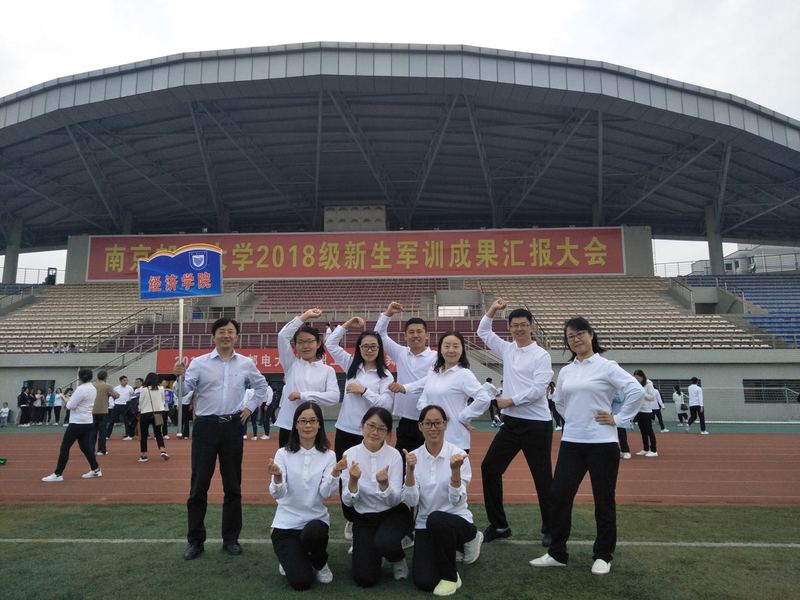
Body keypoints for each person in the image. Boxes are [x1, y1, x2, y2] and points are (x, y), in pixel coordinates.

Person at [530, 316, 643, 576]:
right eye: (570, 336)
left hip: (602, 444)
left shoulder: (606, 366)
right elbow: (558, 401)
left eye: (580, 333)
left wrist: (619, 419)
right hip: (571, 443)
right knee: (559, 496)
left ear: (591, 335)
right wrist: (573, 419)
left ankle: (603, 555)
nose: (576, 339)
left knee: (603, 500)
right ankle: (557, 553)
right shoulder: (567, 370)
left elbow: (635, 390)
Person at [174, 317, 268, 561]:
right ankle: (195, 541)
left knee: (233, 486)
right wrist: (179, 378)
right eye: (222, 332)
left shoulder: (246, 363)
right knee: (198, 486)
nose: (226, 335)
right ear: (213, 336)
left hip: (232, 427)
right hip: (205, 427)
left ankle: (231, 539)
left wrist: (250, 408)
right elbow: (183, 393)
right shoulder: (199, 363)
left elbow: (261, 387)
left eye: (231, 332)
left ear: (236, 336)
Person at [476, 299, 555, 547]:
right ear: (509, 328)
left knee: (542, 478)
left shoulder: (541, 355)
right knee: (490, 468)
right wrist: (492, 309)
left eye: (523, 325)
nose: (519, 329)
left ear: (531, 327)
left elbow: (538, 389)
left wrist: (510, 401)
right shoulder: (508, 349)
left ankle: (551, 528)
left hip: (537, 424)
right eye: (515, 325)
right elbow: (483, 332)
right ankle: (499, 526)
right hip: (512, 424)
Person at [325, 316, 395, 540]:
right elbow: (330, 344)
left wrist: (363, 391)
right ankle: (351, 518)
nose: (369, 350)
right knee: (346, 476)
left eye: (373, 346)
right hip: (346, 430)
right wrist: (346, 325)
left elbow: (386, 404)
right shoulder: (351, 366)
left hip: (372, 435)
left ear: (380, 349)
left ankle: (371, 516)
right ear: (359, 348)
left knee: (372, 475)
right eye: (365, 346)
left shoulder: (385, 375)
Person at [402, 404, 483, 595]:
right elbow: (411, 502)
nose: (433, 428)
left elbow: (456, 501)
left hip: (456, 521)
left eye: (437, 423)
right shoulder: (414, 457)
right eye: (428, 423)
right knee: (424, 581)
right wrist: (410, 472)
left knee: (437, 519)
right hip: (426, 524)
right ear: (420, 426)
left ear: (445, 424)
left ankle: (451, 575)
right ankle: (448, 551)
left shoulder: (458, 455)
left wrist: (455, 472)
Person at [268, 401, 341, 590]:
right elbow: (278, 493)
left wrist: (334, 474)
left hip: (315, 521)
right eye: (303, 421)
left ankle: (319, 562)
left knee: (315, 531)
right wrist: (277, 477)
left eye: (312, 420)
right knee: (301, 582)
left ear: (319, 424)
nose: (308, 425)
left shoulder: (329, 455)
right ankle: (291, 558)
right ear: (296, 424)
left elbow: (326, 493)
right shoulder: (283, 454)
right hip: (286, 525)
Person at [341, 407, 412, 586]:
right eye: (371, 426)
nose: (375, 432)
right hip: (364, 516)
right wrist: (353, 481)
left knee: (386, 542)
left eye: (381, 428)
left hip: (392, 513)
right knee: (364, 579)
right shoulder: (350, 454)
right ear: (362, 425)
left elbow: (395, 500)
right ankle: (375, 552)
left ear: (387, 432)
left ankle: (396, 557)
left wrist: (384, 485)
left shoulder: (394, 456)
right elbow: (347, 501)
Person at [396, 332, 491, 454]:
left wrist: (463, 417)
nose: (451, 350)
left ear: (462, 350)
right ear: (440, 349)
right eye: (446, 346)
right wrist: (436, 414)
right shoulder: (434, 372)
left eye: (456, 346)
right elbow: (422, 401)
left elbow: (484, 398)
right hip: (432, 440)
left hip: (455, 440)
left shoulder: (464, 374)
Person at [374, 301, 437, 465]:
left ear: (427, 335)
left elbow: (431, 380)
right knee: (403, 463)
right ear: (405, 336)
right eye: (411, 332)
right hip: (406, 420)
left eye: (419, 331)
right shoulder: (400, 353)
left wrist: (404, 388)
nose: (415, 335)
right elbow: (379, 335)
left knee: (429, 464)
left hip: (429, 419)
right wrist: (388, 313)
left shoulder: (436, 357)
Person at [274, 309, 340, 448]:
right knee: (286, 460)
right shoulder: (291, 364)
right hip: (289, 426)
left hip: (314, 427)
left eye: (310, 341)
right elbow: (282, 336)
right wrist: (305, 316)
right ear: (295, 346)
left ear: (318, 343)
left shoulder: (327, 370)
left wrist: (302, 395)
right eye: (300, 342)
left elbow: (334, 397)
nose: (305, 346)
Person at [41, 368, 103, 482]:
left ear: (80, 377)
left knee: (65, 447)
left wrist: (64, 398)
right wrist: (70, 399)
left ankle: (58, 474)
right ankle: (95, 469)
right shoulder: (93, 388)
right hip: (87, 422)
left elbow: (70, 406)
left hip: (77, 422)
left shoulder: (81, 389)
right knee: (85, 447)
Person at [137, 372, 170, 463]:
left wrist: (139, 410)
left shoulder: (144, 390)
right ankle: (162, 450)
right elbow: (163, 401)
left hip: (145, 413)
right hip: (158, 413)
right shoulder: (161, 389)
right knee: (158, 433)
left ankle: (144, 455)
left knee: (144, 435)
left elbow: (140, 402)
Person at [92, 370, 119, 456]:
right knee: (102, 431)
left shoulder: (92, 385)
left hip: (92, 410)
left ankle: (91, 449)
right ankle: (101, 450)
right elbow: (116, 395)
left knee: (92, 431)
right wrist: (111, 394)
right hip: (103, 410)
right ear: (105, 377)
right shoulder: (107, 386)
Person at [632, 369, 658, 458]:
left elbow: (652, 397)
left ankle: (654, 450)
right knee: (642, 431)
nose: (637, 379)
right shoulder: (637, 384)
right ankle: (645, 449)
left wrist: (643, 394)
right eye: (635, 378)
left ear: (642, 377)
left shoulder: (648, 384)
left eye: (638, 378)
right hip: (639, 411)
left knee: (649, 431)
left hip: (646, 411)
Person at [107, 375, 135, 440]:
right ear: (120, 381)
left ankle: (128, 435)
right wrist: (112, 404)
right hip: (117, 405)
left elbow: (132, 396)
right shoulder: (116, 388)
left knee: (126, 421)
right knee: (111, 421)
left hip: (126, 406)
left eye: (127, 380)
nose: (126, 381)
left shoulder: (130, 388)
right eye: (124, 380)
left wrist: (130, 404)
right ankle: (107, 435)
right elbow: (111, 397)